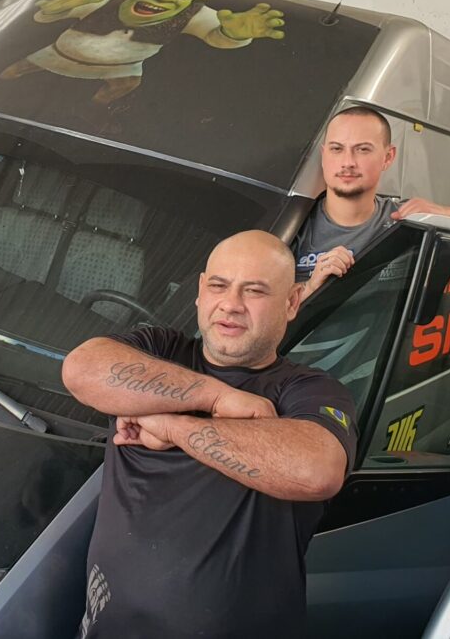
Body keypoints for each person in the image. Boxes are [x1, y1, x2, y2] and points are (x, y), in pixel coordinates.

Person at [62, 230, 357, 638]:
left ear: (292, 302)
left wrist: (175, 426)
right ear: (200, 292)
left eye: (254, 291)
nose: (231, 304)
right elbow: (81, 369)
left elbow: (317, 470)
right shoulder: (158, 349)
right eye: (219, 286)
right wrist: (218, 398)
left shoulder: (309, 391)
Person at [296, 106, 450, 300]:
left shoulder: (405, 219)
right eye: (337, 149)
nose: (348, 162)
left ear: (388, 157)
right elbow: (276, 309)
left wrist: (441, 213)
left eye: (363, 149)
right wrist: (310, 288)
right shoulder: (296, 224)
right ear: (323, 155)